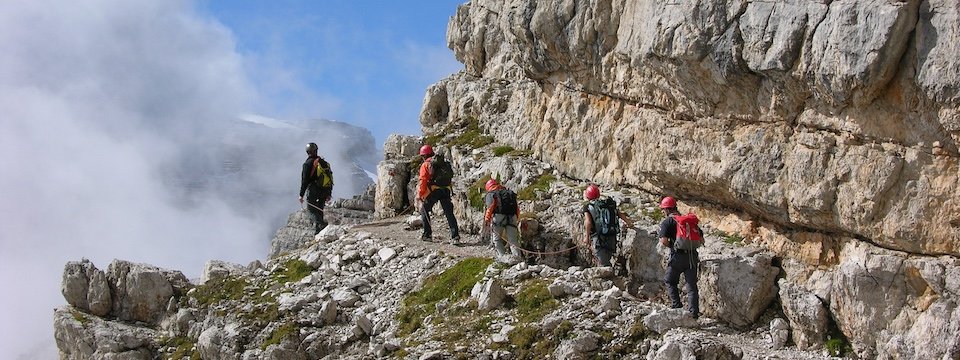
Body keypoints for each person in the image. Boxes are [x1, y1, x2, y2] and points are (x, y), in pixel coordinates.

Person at [658, 196, 701, 318]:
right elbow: (701, 239)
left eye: (663, 209)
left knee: (670, 280)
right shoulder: (688, 221)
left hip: (677, 256)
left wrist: (674, 246)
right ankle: (694, 314)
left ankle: (677, 306)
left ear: (667, 209)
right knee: (691, 286)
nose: (663, 212)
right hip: (692, 256)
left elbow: (663, 241)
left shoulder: (668, 222)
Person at [582, 184, 635, 267]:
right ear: (598, 194)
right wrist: (629, 223)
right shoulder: (607, 204)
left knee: (603, 263)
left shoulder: (588, 207)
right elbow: (619, 214)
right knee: (608, 257)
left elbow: (588, 222)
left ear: (588, 196)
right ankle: (611, 273)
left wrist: (587, 237)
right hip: (611, 235)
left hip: (598, 238)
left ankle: (608, 276)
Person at [416, 144, 460, 244]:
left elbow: (423, 180)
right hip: (446, 189)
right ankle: (455, 236)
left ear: (424, 156)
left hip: (434, 190)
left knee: (424, 210)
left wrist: (420, 194)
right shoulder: (443, 163)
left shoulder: (426, 164)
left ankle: (427, 235)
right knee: (449, 213)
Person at [482, 179, 522, 262]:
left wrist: (487, 219)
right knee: (513, 240)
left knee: (496, 239)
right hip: (512, 217)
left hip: (499, 218)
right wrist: (517, 219)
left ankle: (503, 257)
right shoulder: (508, 193)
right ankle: (517, 258)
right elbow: (517, 208)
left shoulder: (491, 194)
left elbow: (490, 208)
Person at [299, 143, 334, 235]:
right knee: (319, 209)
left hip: (314, 189)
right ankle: (319, 231)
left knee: (311, 210)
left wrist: (301, 195)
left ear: (307, 152)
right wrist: (329, 193)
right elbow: (329, 178)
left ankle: (321, 225)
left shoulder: (307, 164)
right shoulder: (323, 163)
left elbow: (305, 180)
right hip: (325, 190)